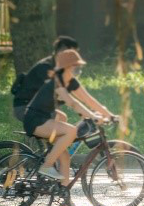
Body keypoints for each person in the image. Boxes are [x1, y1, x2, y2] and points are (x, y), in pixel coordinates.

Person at [21, 37, 113, 187]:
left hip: (46, 119)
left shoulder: (70, 81)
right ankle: (47, 165)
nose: (78, 70)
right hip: (35, 120)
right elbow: (73, 103)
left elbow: (88, 100)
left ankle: (64, 198)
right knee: (71, 131)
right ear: (66, 67)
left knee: (65, 158)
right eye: (75, 66)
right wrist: (93, 116)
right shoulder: (57, 82)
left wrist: (108, 115)